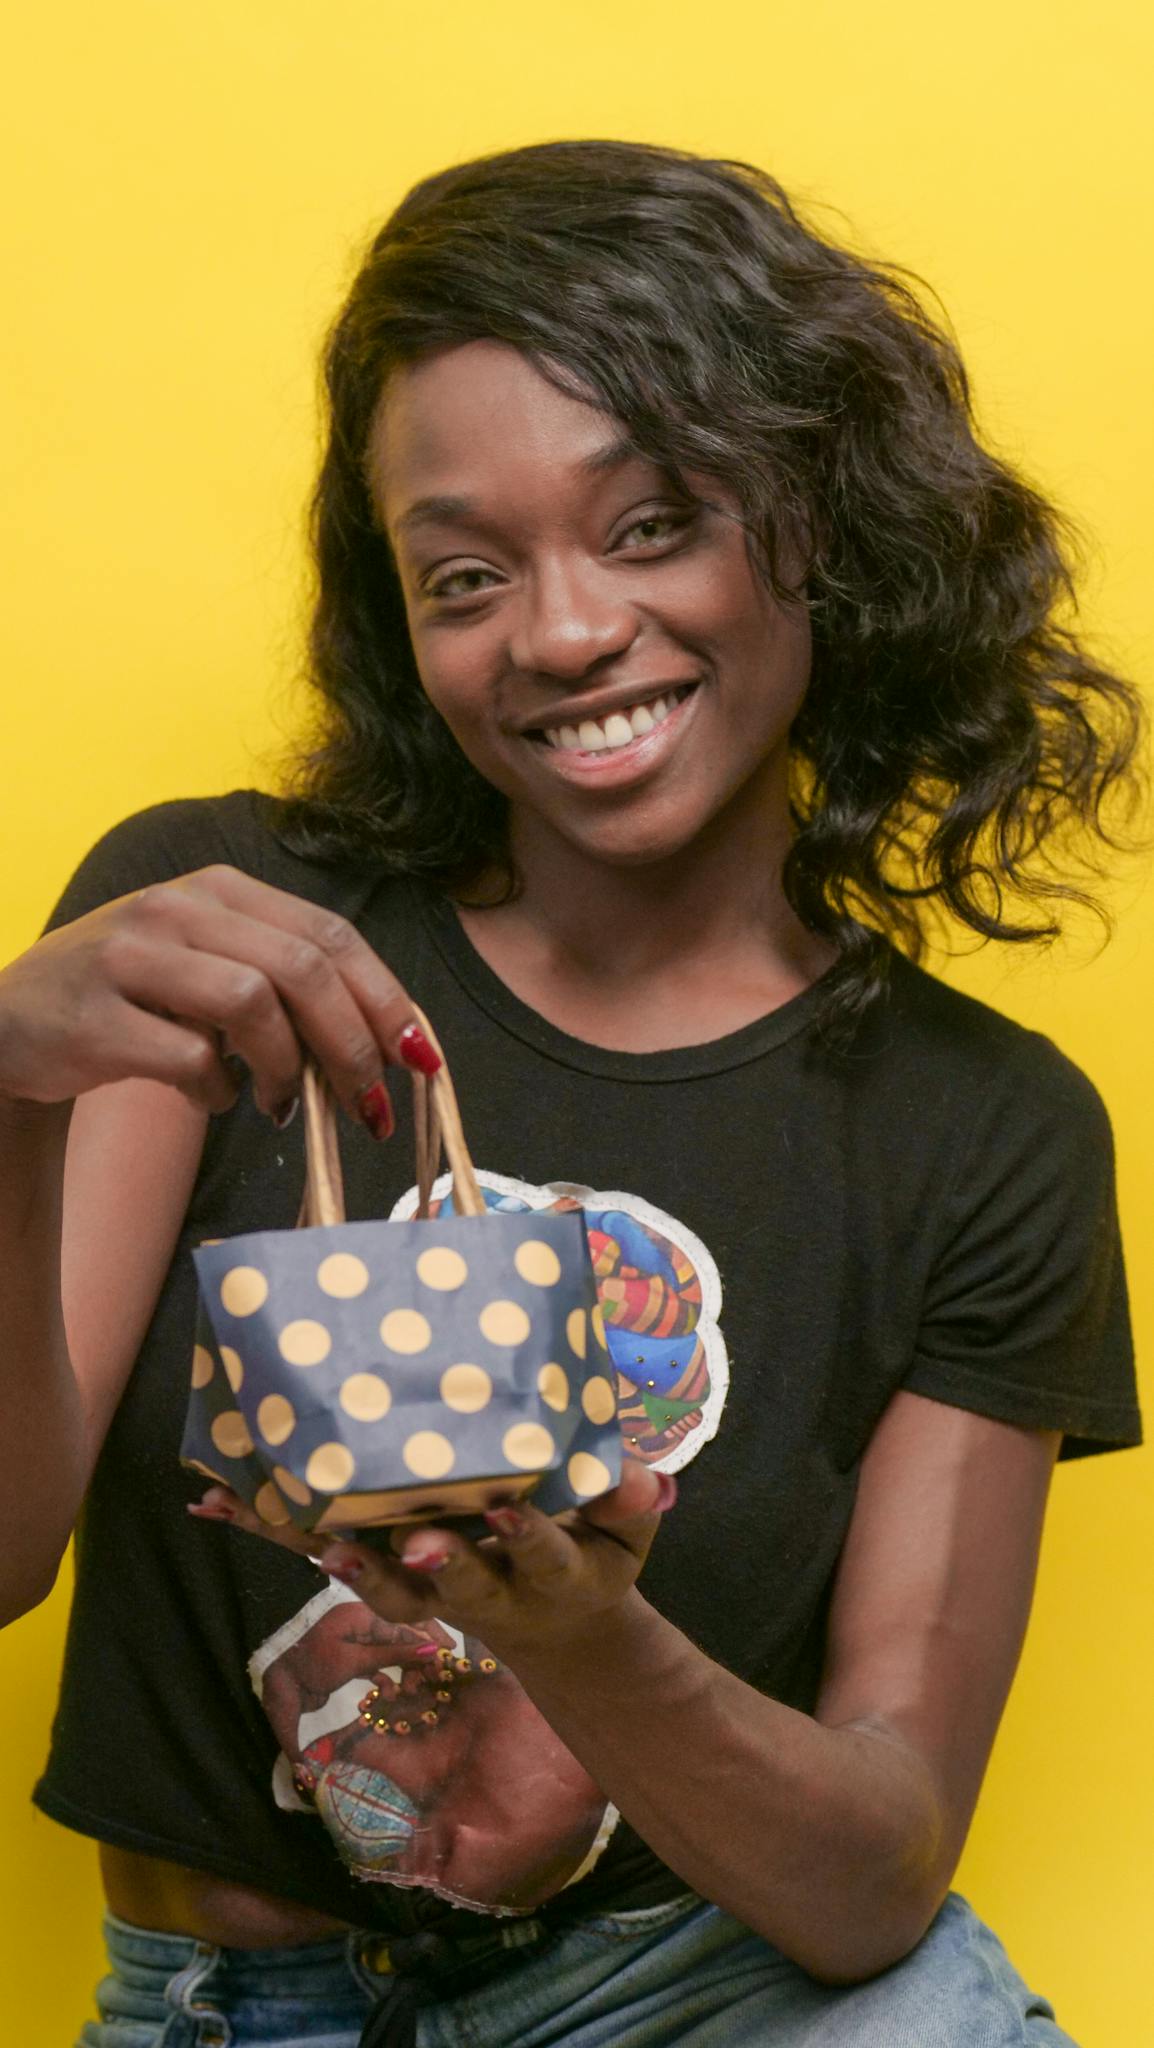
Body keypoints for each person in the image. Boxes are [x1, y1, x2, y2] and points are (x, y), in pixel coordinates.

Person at [0, 139, 1143, 2048]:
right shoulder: (221, 929)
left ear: (824, 528)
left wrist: (578, 1631)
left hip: (721, 1992)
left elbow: (870, 1879)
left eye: (648, 524)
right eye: (465, 571)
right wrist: (6, 1096)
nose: (555, 632)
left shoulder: (980, 1130)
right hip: (234, 2003)